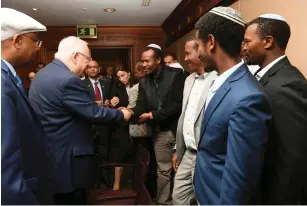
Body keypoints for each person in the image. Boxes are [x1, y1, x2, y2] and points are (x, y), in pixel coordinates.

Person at [28, 36, 132, 205]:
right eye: (87, 59)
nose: (88, 64)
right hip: (67, 159)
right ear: (75, 56)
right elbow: (92, 112)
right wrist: (121, 114)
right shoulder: (68, 80)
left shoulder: (42, 75)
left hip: (51, 154)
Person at [193, 7, 272, 204]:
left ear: (211, 42)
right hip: (206, 193)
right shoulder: (221, 81)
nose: (197, 53)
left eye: (197, 46)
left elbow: (240, 177)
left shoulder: (248, 98)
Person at [243, 14, 307, 204]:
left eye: (247, 41)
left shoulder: (287, 84)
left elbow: (292, 159)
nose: (244, 47)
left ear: (268, 42)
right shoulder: (267, 77)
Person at [1, 8, 53, 204]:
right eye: (35, 41)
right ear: (16, 41)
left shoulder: (8, 77)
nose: (38, 47)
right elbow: (3, 169)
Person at [131, 43, 186, 204]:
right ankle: (163, 202)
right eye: (142, 61)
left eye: (147, 61)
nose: (144, 65)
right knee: (163, 170)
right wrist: (129, 113)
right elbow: (141, 105)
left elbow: (178, 105)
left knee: (182, 170)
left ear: (159, 60)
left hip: (178, 130)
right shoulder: (143, 82)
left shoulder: (176, 74)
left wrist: (152, 115)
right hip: (159, 132)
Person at [172, 36, 217, 205]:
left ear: (200, 52)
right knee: (178, 198)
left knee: (203, 199)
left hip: (206, 155)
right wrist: (177, 148)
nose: (184, 58)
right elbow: (186, 116)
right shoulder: (189, 79)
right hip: (188, 153)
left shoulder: (217, 79)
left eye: (187, 53)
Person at [83, 60, 113, 187]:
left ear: (99, 68)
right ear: (86, 69)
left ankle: (104, 178)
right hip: (88, 124)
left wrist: (109, 102)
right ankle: (92, 181)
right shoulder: (81, 84)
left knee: (104, 152)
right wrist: (93, 104)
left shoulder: (105, 83)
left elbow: (111, 98)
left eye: (95, 67)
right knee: (90, 153)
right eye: (90, 67)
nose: (93, 69)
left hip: (103, 123)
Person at [109, 64, 135, 190]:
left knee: (137, 153)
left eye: (123, 75)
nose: (121, 79)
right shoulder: (116, 87)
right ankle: (117, 183)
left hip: (138, 123)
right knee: (120, 152)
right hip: (123, 125)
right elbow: (113, 105)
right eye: (118, 77)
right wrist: (113, 102)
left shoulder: (138, 85)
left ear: (129, 73)